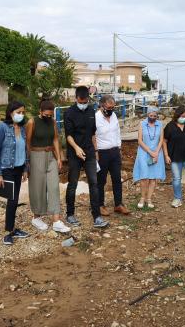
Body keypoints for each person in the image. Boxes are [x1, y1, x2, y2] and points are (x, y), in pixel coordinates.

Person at [64, 86, 109, 228]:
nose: (83, 104)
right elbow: (68, 135)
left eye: (85, 101)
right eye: (80, 101)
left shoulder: (91, 111)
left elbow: (92, 133)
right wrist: (76, 148)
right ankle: (70, 214)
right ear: (76, 98)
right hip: (74, 153)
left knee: (94, 184)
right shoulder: (69, 113)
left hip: (89, 152)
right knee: (73, 184)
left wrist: (95, 152)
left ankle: (97, 217)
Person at [26, 99, 71, 233]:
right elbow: (27, 142)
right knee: (37, 188)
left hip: (50, 156)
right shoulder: (32, 122)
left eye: (50, 115)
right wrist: (27, 161)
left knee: (53, 187)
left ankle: (56, 220)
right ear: (40, 111)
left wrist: (59, 158)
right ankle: (36, 217)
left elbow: (56, 139)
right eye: (46, 115)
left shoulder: (52, 122)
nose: (48, 117)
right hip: (36, 156)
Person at [0, 101, 30, 245]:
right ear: (10, 112)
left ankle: (12, 228)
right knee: (12, 200)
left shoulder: (22, 128)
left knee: (14, 200)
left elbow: (25, 149)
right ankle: (8, 232)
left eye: (23, 112)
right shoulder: (1, 128)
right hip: (7, 168)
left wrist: (25, 168)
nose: (21, 115)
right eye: (18, 112)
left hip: (19, 168)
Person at [96, 95, 130, 216]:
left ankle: (118, 204)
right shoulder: (96, 118)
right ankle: (100, 205)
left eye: (113, 107)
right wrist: (95, 152)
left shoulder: (114, 115)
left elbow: (117, 132)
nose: (111, 109)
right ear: (102, 105)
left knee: (117, 179)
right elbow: (92, 136)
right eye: (109, 107)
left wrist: (119, 147)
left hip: (115, 151)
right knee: (101, 180)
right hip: (102, 153)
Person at [132, 106, 166, 209]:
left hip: (156, 153)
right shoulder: (142, 124)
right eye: (151, 115)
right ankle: (142, 198)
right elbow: (139, 140)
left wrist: (156, 152)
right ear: (147, 115)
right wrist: (150, 152)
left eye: (155, 116)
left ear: (157, 116)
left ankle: (149, 199)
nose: (153, 117)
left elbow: (161, 140)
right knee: (144, 177)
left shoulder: (160, 124)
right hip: (144, 152)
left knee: (153, 177)